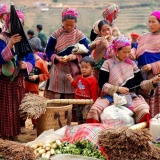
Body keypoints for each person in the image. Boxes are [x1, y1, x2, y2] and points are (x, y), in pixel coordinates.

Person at [86, 36, 160, 126]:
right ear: (117, 50)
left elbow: (140, 84)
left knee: (144, 110)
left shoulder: (132, 64)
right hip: (110, 97)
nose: (127, 54)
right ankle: (93, 133)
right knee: (94, 110)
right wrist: (118, 89)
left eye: (129, 52)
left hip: (130, 96)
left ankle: (140, 135)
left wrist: (152, 82)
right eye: (124, 52)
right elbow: (102, 84)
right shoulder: (107, 63)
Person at [0, 10, 35, 140]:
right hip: (5, 81)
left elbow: (31, 59)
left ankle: (15, 134)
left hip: (18, 80)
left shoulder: (24, 40)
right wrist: (10, 44)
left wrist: (25, 65)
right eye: (15, 24)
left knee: (17, 109)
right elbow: (0, 58)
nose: (17, 28)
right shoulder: (2, 38)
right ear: (9, 24)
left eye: (20, 25)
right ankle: (5, 135)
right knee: (6, 110)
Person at [44, 7, 89, 100]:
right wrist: (56, 57)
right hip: (58, 70)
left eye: (71, 25)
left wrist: (75, 57)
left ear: (75, 23)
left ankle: (71, 114)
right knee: (56, 97)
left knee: (72, 96)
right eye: (66, 24)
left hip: (74, 71)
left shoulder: (79, 35)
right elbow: (48, 50)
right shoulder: (56, 34)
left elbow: (87, 53)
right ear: (62, 22)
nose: (68, 27)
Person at [130, 10, 160, 118]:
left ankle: (154, 123)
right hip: (141, 72)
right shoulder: (143, 37)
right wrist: (132, 53)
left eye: (153, 22)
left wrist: (152, 66)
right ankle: (144, 120)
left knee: (155, 100)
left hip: (156, 75)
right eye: (149, 22)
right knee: (140, 97)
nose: (150, 24)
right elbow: (135, 48)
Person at [67, 56, 98, 124]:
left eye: (86, 67)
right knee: (79, 116)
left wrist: (92, 102)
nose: (83, 69)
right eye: (82, 67)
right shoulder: (79, 77)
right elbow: (76, 85)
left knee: (85, 117)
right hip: (78, 102)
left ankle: (84, 128)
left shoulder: (93, 80)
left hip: (87, 103)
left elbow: (94, 92)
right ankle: (79, 128)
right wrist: (71, 80)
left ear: (92, 69)